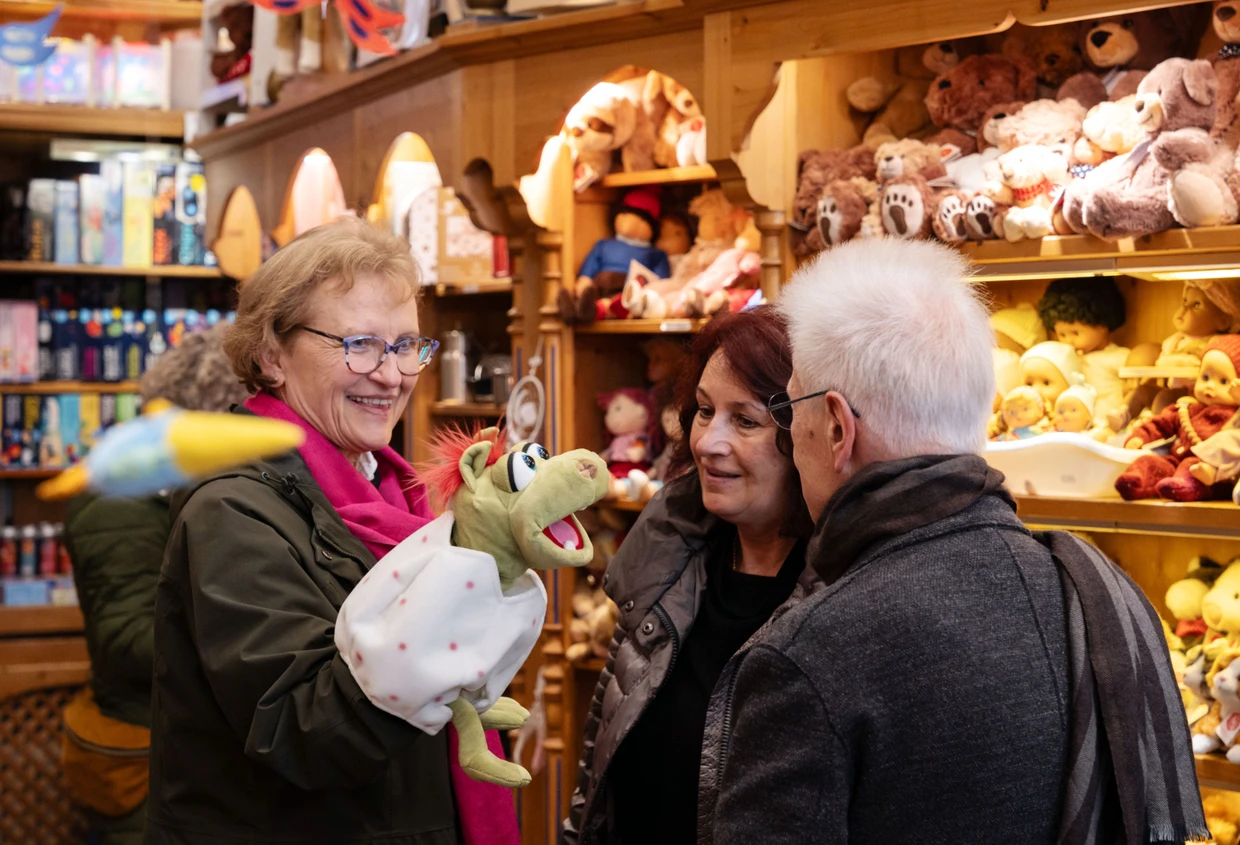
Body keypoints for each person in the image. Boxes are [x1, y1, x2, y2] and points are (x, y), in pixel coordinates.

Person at [703, 238, 1206, 844]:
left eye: (792, 405)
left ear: (837, 426)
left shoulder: (809, 654)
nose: (792, 431)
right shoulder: (1102, 596)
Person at [146, 219, 516, 845]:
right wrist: (456, 606)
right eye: (361, 344)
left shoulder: (403, 494)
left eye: (406, 347)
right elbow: (302, 728)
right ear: (271, 355)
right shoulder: (232, 508)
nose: (392, 375)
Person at [562, 306, 813, 845]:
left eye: (745, 420)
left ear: (808, 438)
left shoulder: (836, 599)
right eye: (703, 411)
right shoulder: (667, 568)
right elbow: (598, 773)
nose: (706, 441)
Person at [61, 323, 249, 845]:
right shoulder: (117, 503)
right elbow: (126, 640)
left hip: (181, 750)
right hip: (143, 760)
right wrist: (241, 632)